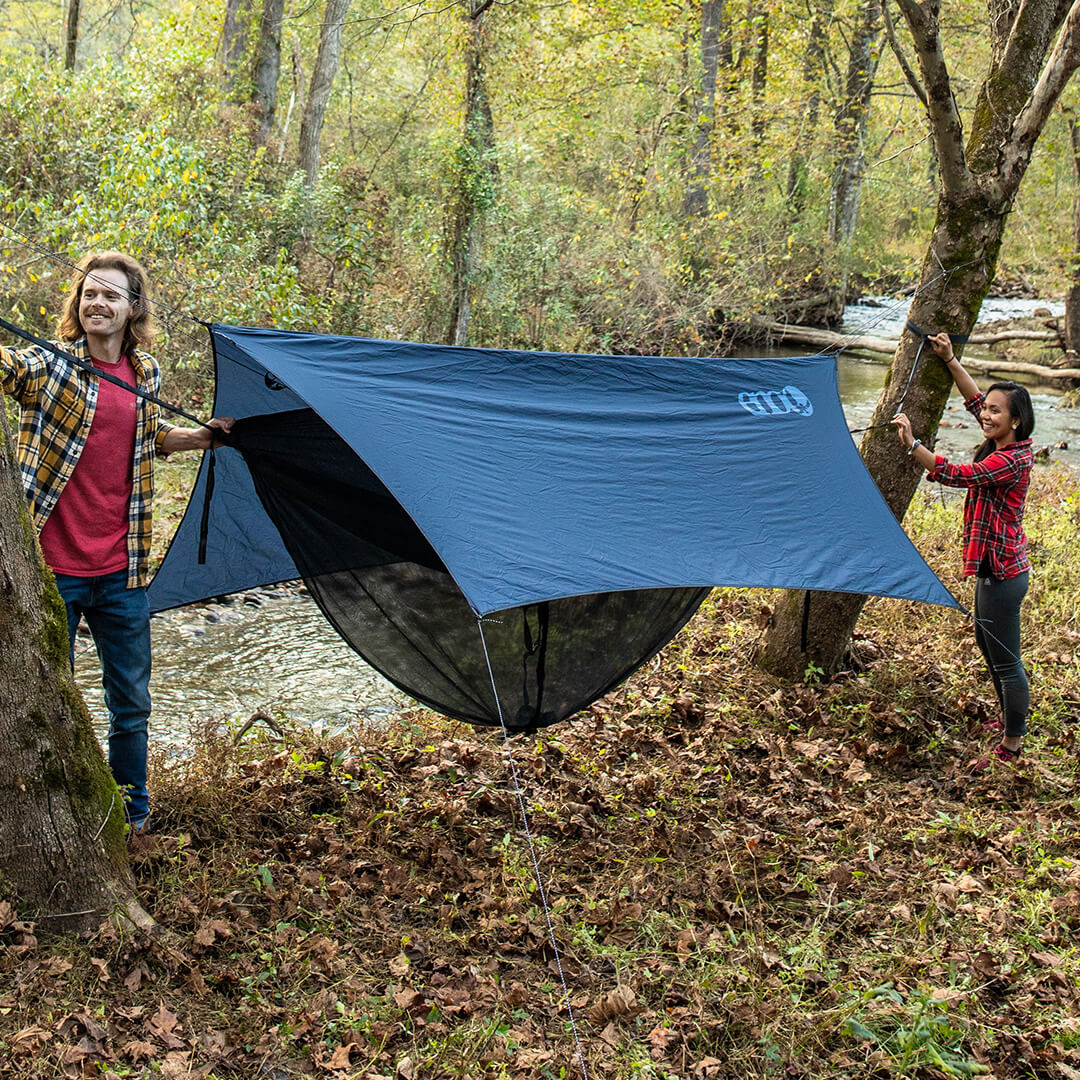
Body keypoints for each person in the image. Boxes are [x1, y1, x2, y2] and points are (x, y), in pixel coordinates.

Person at [0, 251, 233, 831]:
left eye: (111, 295)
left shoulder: (147, 374)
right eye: (89, 294)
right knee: (41, 699)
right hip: (51, 570)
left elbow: (153, 435)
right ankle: (47, 815)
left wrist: (202, 437)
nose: (97, 303)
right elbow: (8, 367)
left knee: (130, 704)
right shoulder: (51, 366)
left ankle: (132, 814)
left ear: (134, 308)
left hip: (123, 569)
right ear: (77, 306)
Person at [892, 331, 1035, 764]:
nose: (986, 415)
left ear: (1015, 421)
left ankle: (1012, 740)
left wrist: (913, 444)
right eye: (987, 409)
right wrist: (951, 360)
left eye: (996, 411)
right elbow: (975, 401)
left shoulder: (1009, 459)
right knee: (985, 641)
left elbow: (956, 474)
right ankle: (1007, 716)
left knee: (1007, 660)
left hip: (1005, 573)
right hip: (993, 568)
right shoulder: (1002, 441)